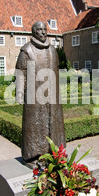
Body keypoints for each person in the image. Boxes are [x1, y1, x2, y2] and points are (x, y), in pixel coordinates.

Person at [15, 21, 65, 168]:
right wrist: (19, 92)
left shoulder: (52, 50)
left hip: (52, 96)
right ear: (33, 32)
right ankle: (32, 157)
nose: (43, 32)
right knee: (34, 126)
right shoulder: (27, 51)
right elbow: (20, 72)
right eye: (39, 30)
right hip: (33, 95)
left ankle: (54, 153)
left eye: (45, 29)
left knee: (53, 124)